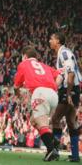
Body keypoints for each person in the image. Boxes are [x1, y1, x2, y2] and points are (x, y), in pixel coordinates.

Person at [14, 46, 61, 161]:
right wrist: (55, 87)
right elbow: (60, 76)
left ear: (25, 56)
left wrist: (19, 95)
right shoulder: (44, 66)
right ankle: (53, 142)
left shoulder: (23, 64)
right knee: (34, 121)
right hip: (53, 94)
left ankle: (52, 147)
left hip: (39, 93)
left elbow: (16, 86)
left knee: (41, 123)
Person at [49, 32, 82, 162]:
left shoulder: (64, 54)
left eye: (51, 39)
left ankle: (55, 152)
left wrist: (68, 94)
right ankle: (74, 156)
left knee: (55, 119)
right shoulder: (62, 54)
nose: (49, 41)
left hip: (70, 89)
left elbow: (71, 74)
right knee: (70, 122)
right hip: (73, 89)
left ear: (57, 41)